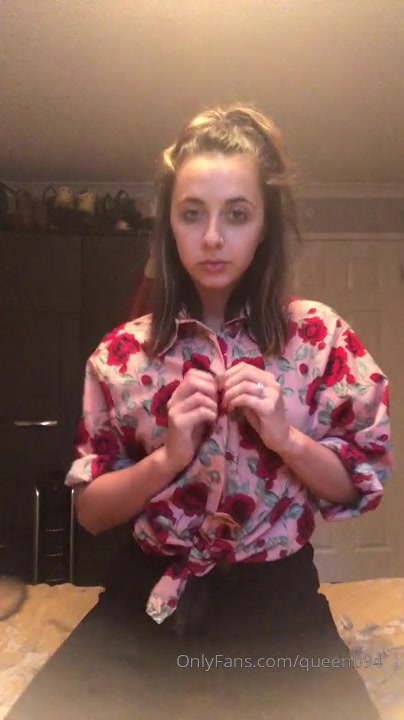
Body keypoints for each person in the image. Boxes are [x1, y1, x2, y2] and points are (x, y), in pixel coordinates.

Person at [6, 104, 392, 720]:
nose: (213, 236)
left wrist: (286, 438)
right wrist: (167, 458)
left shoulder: (321, 339)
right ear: (170, 226)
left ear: (263, 225)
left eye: (236, 214)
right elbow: (91, 514)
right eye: (192, 214)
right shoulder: (120, 355)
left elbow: (357, 485)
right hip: (144, 594)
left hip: (277, 601)